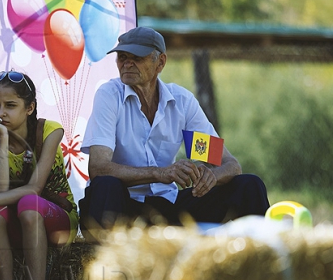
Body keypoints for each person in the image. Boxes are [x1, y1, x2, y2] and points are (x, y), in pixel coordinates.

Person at [79, 26, 269, 236]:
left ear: (160, 62)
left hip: (169, 206)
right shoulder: (110, 95)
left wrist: (212, 177)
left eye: (137, 57)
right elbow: (98, 168)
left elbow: (230, 165)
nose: (127, 63)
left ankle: (265, 262)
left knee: (248, 185)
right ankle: (99, 264)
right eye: (122, 57)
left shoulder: (180, 103)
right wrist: (160, 173)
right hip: (124, 205)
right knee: (106, 186)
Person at [0, 71, 79, 280]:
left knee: (28, 204)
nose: (1, 113)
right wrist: (2, 137)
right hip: (18, 225)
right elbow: (0, 191)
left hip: (58, 221)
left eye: (10, 105)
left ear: (29, 108)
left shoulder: (50, 131)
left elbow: (35, 189)